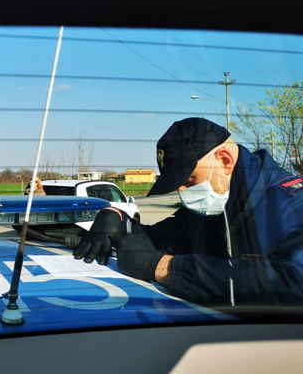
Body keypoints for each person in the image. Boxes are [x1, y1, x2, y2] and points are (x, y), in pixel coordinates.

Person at [73, 117, 303, 306]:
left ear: (224, 161)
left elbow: (294, 283)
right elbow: (165, 237)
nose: (183, 192)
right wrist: (116, 218)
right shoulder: (224, 201)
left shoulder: (292, 204)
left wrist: (165, 268)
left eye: (190, 180)